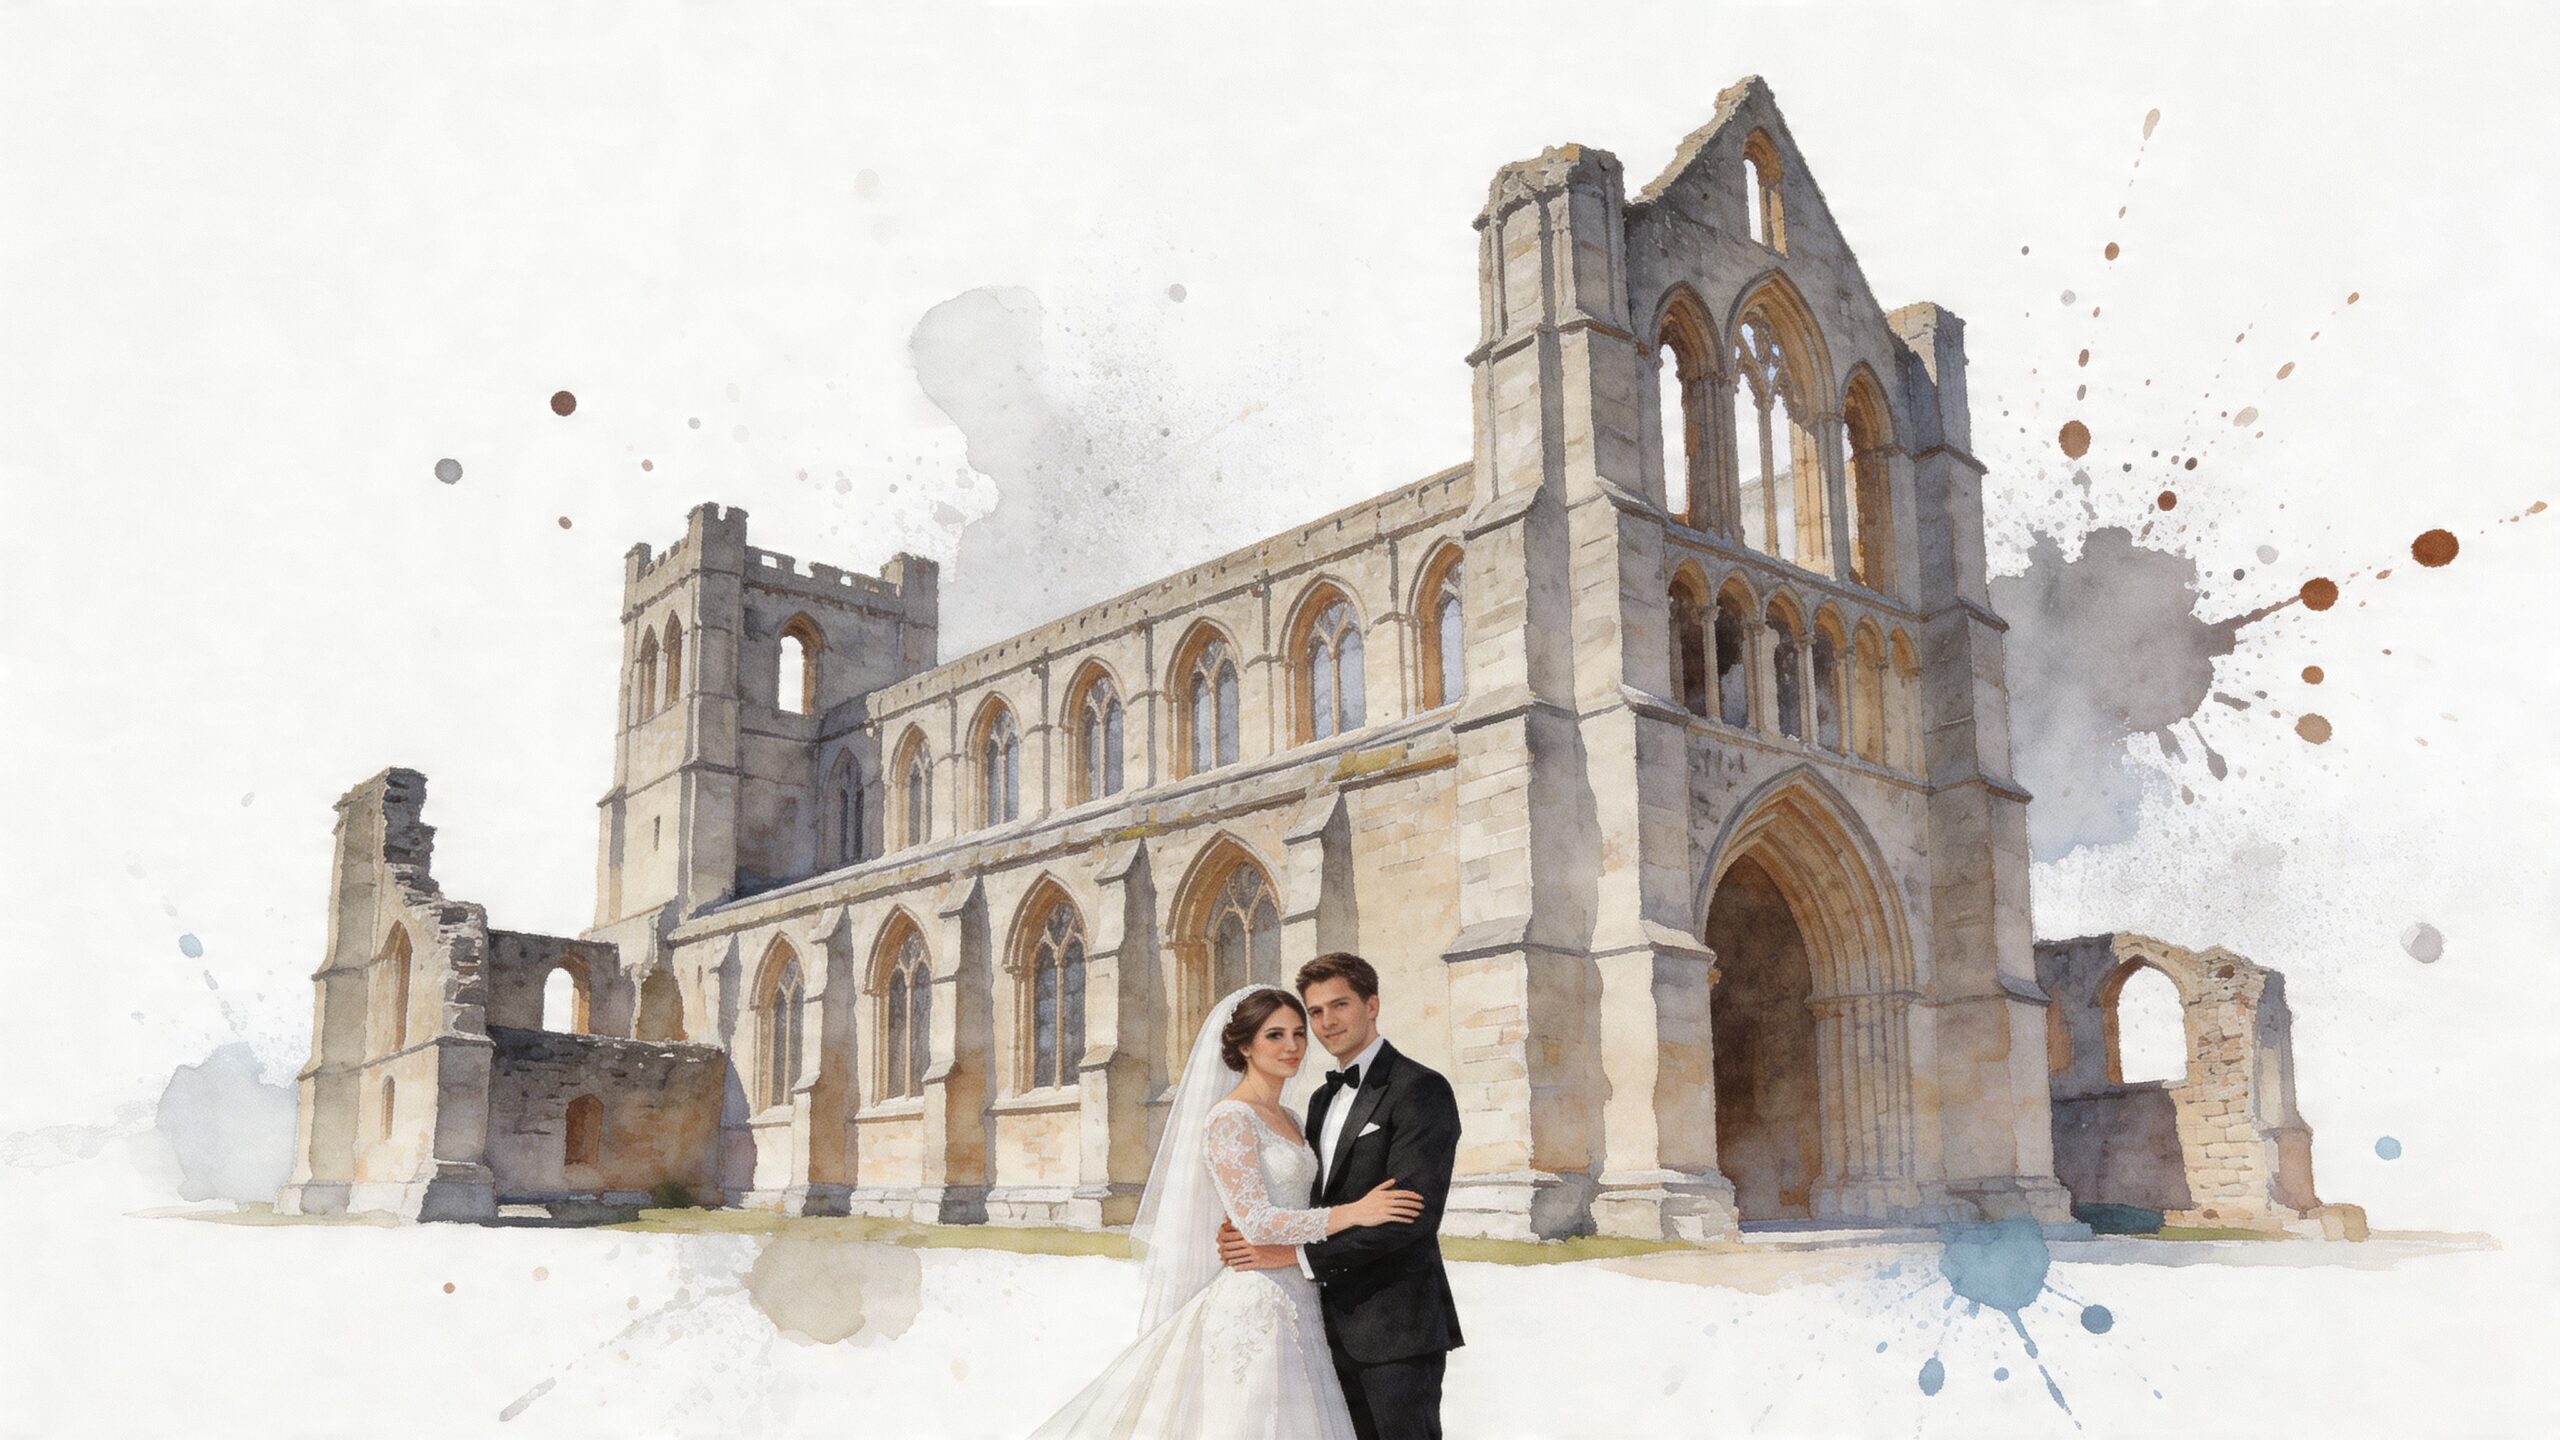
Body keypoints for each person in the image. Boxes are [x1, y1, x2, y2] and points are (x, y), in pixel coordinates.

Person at [1029, 984, 1426, 1440]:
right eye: (1274, 1035)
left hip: (1301, 1295)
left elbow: (1291, 1204)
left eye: (1299, 1033)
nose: (1293, 1046)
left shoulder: (1294, 1119)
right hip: (1255, 1299)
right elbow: (1255, 1220)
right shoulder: (1229, 1118)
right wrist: (1354, 1213)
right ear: (1244, 1046)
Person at [1217, 953, 1464, 1440]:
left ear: (1371, 1005)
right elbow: (1305, 1201)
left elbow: (1408, 1220)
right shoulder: (1317, 1100)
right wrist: (1242, 1226)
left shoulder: (1421, 1089)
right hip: (1319, 1328)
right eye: (1315, 1013)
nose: (1327, 1022)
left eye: (1340, 1005)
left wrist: (1297, 1257)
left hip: (1394, 1330)